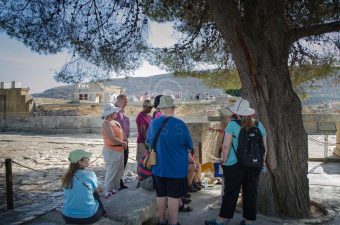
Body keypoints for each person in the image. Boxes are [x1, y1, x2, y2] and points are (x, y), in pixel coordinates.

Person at [205, 99, 267, 225]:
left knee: (230, 193)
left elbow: (226, 146)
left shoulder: (232, 125)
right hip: (254, 165)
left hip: (234, 165)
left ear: (236, 113)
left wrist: (224, 160)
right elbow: (264, 146)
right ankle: (249, 222)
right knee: (251, 193)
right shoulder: (259, 125)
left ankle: (221, 220)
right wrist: (262, 162)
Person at [146, 96, 194, 225]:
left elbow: (148, 141)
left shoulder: (153, 123)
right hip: (176, 168)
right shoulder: (180, 124)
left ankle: (161, 221)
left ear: (160, 109)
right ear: (172, 108)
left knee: (160, 195)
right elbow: (190, 145)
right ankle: (173, 223)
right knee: (173, 197)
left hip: (159, 167)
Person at [61, 149, 106, 224]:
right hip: (88, 217)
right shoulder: (90, 174)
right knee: (95, 193)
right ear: (80, 162)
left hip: (67, 217)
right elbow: (96, 190)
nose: (89, 159)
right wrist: (100, 189)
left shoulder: (65, 176)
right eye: (87, 158)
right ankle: (102, 212)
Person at [101, 103, 127, 197]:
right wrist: (122, 143)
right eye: (114, 111)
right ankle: (108, 190)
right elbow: (111, 137)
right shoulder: (106, 123)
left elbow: (122, 133)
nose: (116, 112)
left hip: (119, 149)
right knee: (111, 171)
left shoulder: (116, 122)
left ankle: (115, 188)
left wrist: (125, 141)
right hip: (112, 150)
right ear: (111, 113)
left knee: (119, 170)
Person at [114, 94, 130, 189]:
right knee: (117, 164)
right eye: (125, 101)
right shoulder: (113, 111)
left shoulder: (122, 111)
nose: (126, 103)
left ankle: (119, 181)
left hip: (125, 141)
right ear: (119, 101)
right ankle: (115, 184)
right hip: (117, 142)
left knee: (123, 162)